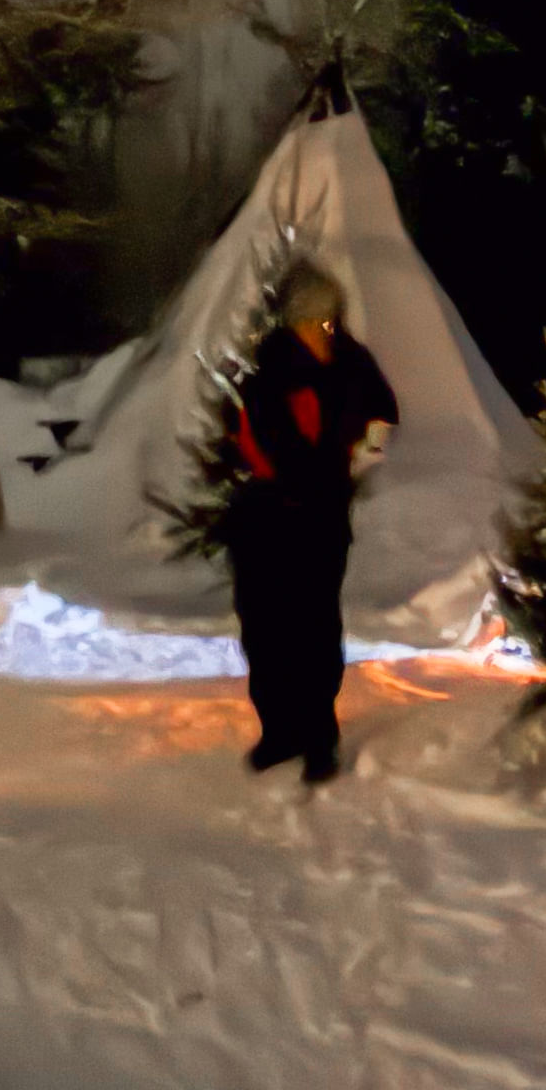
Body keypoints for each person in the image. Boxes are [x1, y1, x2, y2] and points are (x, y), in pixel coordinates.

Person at [228, 257, 398, 783]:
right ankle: (279, 730)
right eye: (317, 321)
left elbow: (383, 408)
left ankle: (318, 735)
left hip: (320, 519)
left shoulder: (351, 362)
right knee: (267, 627)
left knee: (315, 627)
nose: (327, 330)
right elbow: (271, 443)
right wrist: (312, 472)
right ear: (296, 322)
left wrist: (370, 441)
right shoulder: (271, 368)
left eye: (331, 320)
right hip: (269, 518)